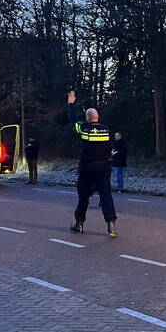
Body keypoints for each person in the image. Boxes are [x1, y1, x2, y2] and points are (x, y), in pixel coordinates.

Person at [63, 90, 118, 238]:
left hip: (87, 168)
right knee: (106, 196)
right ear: (98, 117)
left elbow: (73, 121)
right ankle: (111, 225)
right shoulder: (106, 130)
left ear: (87, 119)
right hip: (103, 169)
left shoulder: (84, 129)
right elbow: (110, 148)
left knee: (83, 197)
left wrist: (71, 104)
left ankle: (79, 224)